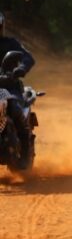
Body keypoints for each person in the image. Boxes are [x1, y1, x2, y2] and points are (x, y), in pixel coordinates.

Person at [0, 11, 36, 168]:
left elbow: (28, 57)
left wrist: (20, 68)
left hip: (9, 87)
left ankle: (26, 152)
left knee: (14, 108)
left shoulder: (10, 43)